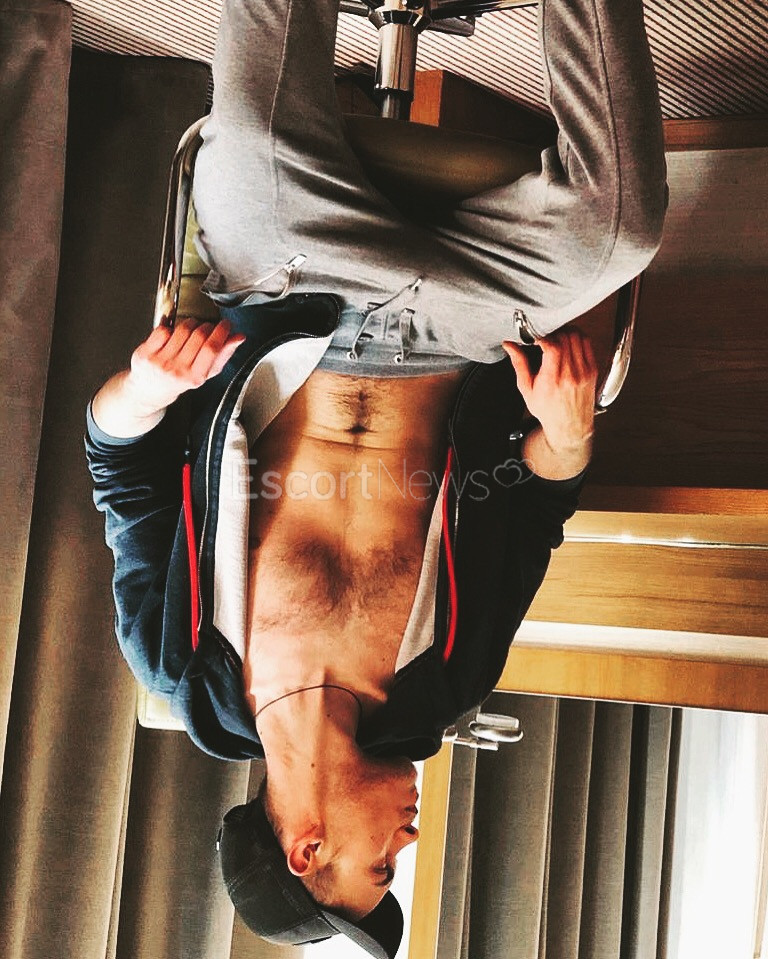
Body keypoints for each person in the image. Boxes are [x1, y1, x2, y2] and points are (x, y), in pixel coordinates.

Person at [86, 0, 667, 954]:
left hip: (290, 290)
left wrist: (144, 389)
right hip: (460, 332)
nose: (408, 842)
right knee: (620, 230)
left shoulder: (180, 661)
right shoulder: (447, 682)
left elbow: (121, 469)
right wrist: (568, 437)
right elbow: (534, 512)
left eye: (382, 866)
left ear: (306, 846)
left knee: (250, 150)